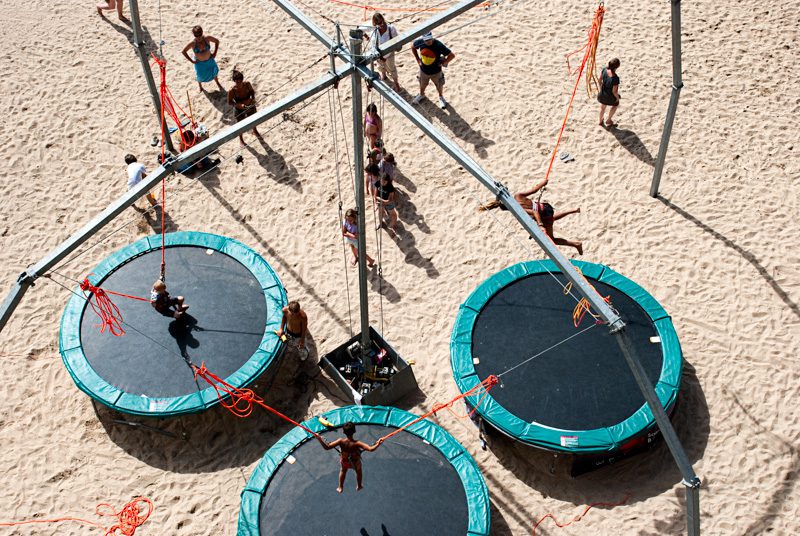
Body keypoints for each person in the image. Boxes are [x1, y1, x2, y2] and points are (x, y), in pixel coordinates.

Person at [479, 179, 583, 254]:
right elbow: (534, 190)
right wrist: (543, 182)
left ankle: (576, 244)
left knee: (553, 239)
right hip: (546, 207)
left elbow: (534, 212)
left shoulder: (517, 209)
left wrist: (540, 225)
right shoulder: (518, 195)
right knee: (552, 219)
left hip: (544, 215)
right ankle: (573, 210)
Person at [316, 422, 383, 493]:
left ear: (343, 432)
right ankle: (359, 485)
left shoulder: (341, 441)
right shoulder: (357, 443)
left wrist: (319, 439)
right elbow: (371, 449)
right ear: (355, 431)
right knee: (359, 472)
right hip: (355, 462)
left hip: (345, 462)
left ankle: (340, 487)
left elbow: (327, 447)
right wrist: (378, 443)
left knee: (343, 471)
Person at [411, 32, 454, 109]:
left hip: (436, 72)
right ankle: (421, 95)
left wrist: (444, 62)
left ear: (432, 37)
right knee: (422, 84)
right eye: (426, 40)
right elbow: (413, 46)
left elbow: (452, 55)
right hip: (423, 71)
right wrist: (417, 59)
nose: (428, 41)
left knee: (439, 86)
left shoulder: (438, 45)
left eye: (430, 39)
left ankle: (441, 97)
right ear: (423, 40)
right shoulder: (420, 42)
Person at [364, 12, 401, 91]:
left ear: (383, 20)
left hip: (389, 54)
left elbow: (396, 40)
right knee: (380, 67)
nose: (380, 25)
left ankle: (396, 83)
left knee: (392, 69)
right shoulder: (373, 27)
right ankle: (384, 75)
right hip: (377, 54)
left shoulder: (391, 29)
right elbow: (359, 29)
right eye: (377, 24)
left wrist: (396, 48)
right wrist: (366, 36)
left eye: (381, 22)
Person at [182, 26, 224, 92]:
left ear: (202, 32)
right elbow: (184, 52)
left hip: (209, 60)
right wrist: (191, 61)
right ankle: (200, 86)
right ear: (194, 35)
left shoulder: (207, 38)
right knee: (200, 76)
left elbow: (217, 41)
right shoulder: (193, 43)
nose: (198, 37)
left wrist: (215, 53)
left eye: (200, 35)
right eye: (196, 35)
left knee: (214, 72)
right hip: (199, 63)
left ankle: (217, 83)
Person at [227, 69, 264, 145]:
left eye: (240, 81)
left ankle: (255, 130)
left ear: (242, 80)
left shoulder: (247, 84)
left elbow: (252, 92)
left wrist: (253, 99)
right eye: (237, 82)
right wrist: (238, 105)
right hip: (239, 109)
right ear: (234, 81)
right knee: (240, 125)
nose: (239, 83)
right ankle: (241, 139)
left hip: (250, 105)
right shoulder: (232, 90)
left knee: (253, 119)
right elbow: (229, 102)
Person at [597, 58, 621, 128]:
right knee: (615, 105)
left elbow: (599, 80)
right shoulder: (615, 78)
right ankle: (609, 120)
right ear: (617, 66)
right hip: (610, 96)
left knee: (602, 108)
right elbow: (614, 92)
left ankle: (600, 121)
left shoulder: (604, 70)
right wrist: (617, 98)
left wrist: (601, 89)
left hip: (603, 94)